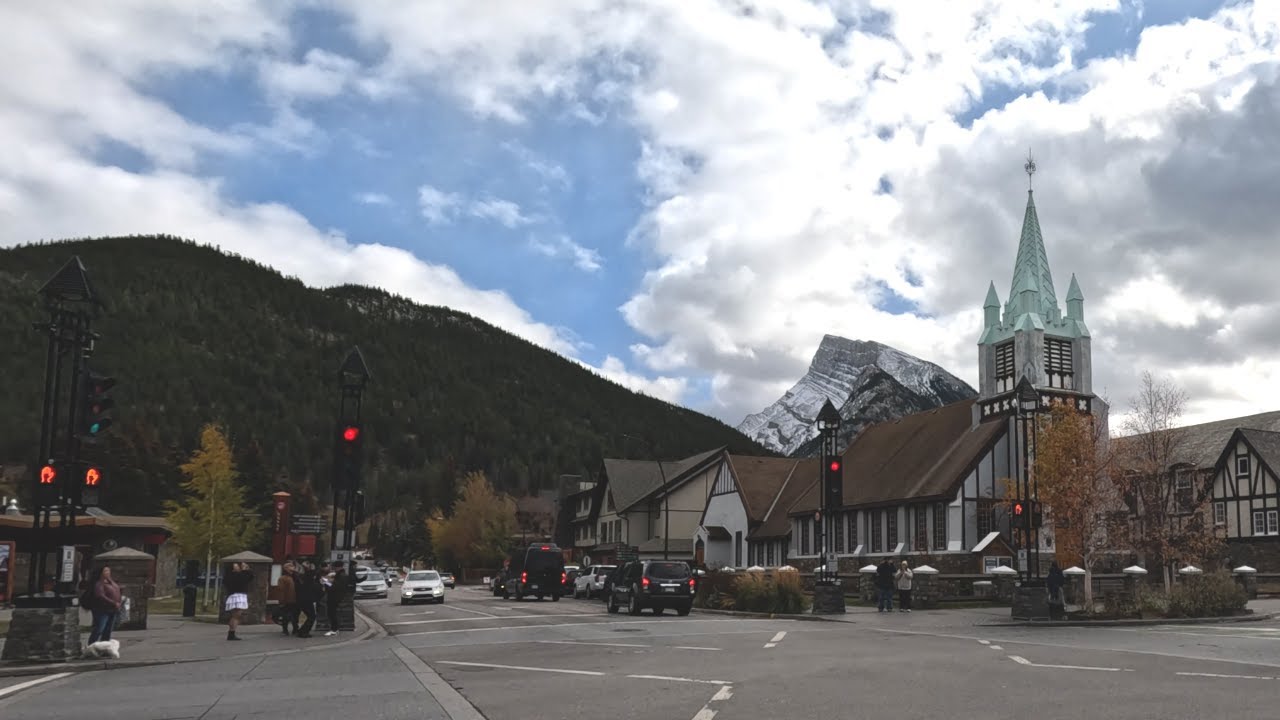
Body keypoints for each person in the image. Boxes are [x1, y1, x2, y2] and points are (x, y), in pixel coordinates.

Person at [88, 565, 122, 645]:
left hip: (112, 609)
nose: (108, 573)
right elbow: (100, 595)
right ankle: (92, 645)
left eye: (109, 571)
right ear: (100, 573)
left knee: (108, 630)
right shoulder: (99, 583)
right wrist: (113, 602)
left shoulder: (110, 581)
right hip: (102, 610)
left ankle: (104, 647)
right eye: (105, 571)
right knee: (99, 628)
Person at [224, 562, 253, 641]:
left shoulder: (231, 576)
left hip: (234, 596)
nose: (238, 567)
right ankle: (231, 633)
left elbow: (249, 577)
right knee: (236, 616)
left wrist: (246, 570)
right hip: (238, 596)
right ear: (233, 569)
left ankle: (231, 633)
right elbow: (246, 578)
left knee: (235, 616)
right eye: (236, 566)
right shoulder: (236, 576)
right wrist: (245, 570)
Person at [295, 561, 321, 638]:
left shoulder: (302, 577)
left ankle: (302, 631)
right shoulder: (307, 577)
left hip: (303, 599)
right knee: (312, 616)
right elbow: (311, 575)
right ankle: (304, 632)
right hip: (306, 599)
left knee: (310, 616)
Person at [324, 562, 346, 637]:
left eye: (335, 567)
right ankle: (334, 628)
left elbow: (335, 587)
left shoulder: (341, 576)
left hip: (334, 597)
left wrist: (327, 582)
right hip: (336, 596)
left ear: (338, 567)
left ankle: (334, 629)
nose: (334, 569)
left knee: (332, 613)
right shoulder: (340, 575)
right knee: (331, 613)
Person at [277, 562, 298, 636]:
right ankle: (285, 629)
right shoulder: (283, 578)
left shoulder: (295, 577)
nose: (292, 568)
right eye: (289, 566)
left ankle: (295, 628)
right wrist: (281, 601)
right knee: (286, 615)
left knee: (294, 615)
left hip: (295, 600)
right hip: (287, 600)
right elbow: (281, 590)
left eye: (292, 566)